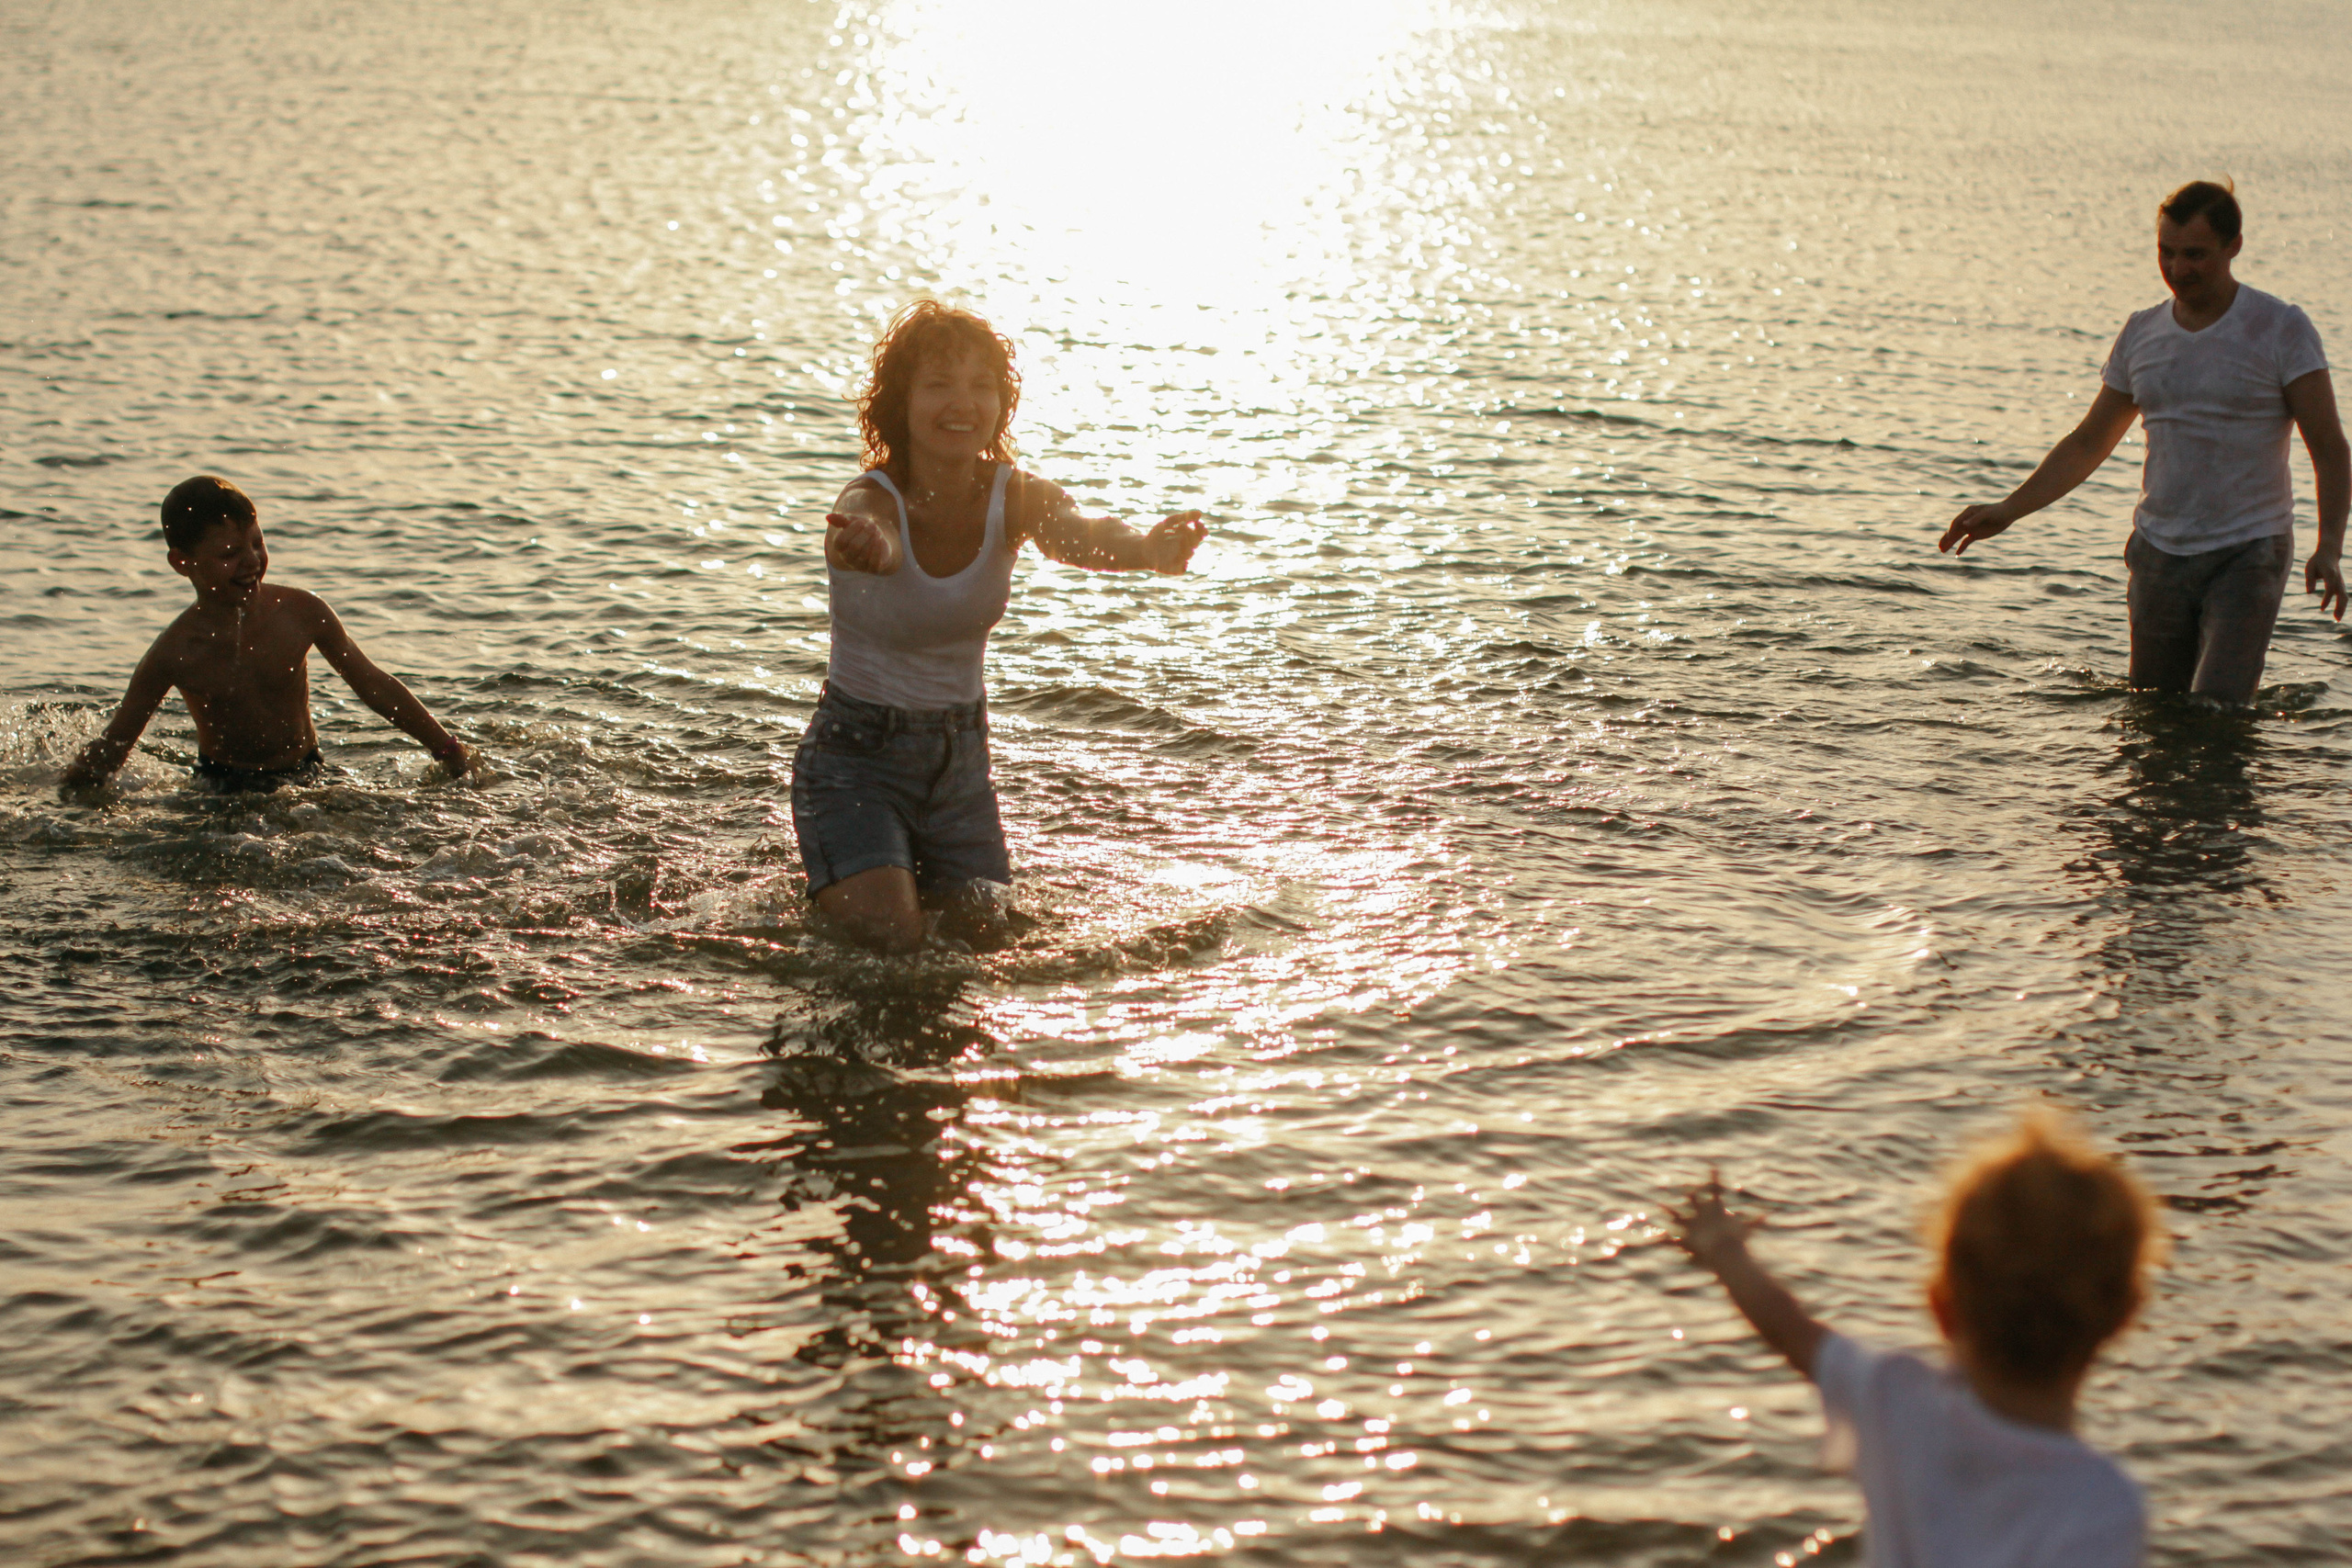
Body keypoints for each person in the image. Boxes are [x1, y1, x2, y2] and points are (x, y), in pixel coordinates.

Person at [795, 299, 1206, 952]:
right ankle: (848, 864)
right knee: (891, 945)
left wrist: (1147, 551)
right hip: (855, 761)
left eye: (980, 385)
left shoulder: (1016, 496)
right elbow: (880, 535)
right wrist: (870, 546)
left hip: (961, 766)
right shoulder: (871, 500)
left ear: (1000, 402)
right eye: (938, 384)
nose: (963, 402)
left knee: (983, 949)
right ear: (900, 401)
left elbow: (1084, 534)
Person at [1668, 1111, 2165, 1567]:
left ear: (1940, 1305)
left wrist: (1724, 1249)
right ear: (2122, 1317)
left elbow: (1787, 1327)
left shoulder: (1896, 1397)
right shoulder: (2101, 1502)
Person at [1939, 180, 2350, 704]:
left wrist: (2330, 548)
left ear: (2234, 246)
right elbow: (2089, 441)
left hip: (2250, 550)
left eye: (2195, 255)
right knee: (2155, 712)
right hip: (2159, 552)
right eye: (2167, 253)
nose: (2178, 269)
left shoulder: (2280, 329)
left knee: (2217, 710)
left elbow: (2330, 448)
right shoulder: (2142, 332)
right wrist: (2011, 508)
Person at [60, 475, 471, 795]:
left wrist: (447, 749)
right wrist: (65, 796)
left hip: (308, 771)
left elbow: (372, 682)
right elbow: (116, 742)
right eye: (229, 554)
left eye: (257, 543)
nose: (252, 561)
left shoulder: (301, 612)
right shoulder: (176, 652)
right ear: (182, 562)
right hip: (221, 788)